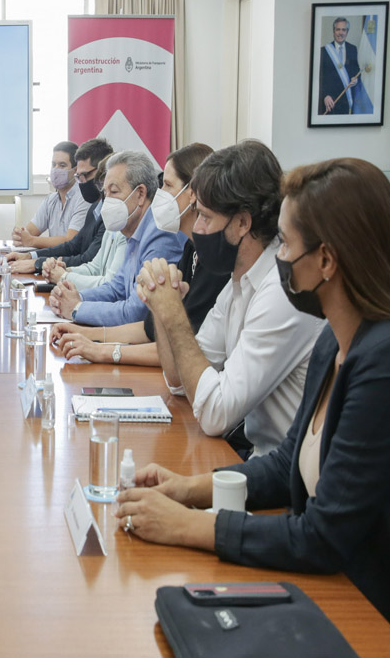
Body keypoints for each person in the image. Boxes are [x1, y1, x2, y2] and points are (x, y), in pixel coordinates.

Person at [114, 157, 390, 657]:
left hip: (372, 614)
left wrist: (187, 526)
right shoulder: (335, 341)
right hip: (325, 590)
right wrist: (188, 490)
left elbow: (321, 536)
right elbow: (288, 466)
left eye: (287, 244)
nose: (277, 256)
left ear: (327, 261)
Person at [134, 140, 321, 456]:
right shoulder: (240, 280)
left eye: (205, 216)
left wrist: (174, 315)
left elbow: (215, 414)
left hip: (284, 477)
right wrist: (163, 306)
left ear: (242, 223)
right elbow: (180, 381)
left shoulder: (281, 289)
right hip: (263, 464)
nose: (198, 228)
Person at [52, 143, 229, 367]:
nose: (161, 194)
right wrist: (83, 322)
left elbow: (142, 315)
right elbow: (150, 323)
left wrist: (96, 340)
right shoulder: (189, 249)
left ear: (193, 194)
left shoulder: (163, 234)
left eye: (166, 185)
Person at [48, 150, 184, 327]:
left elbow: (135, 312)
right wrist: (76, 297)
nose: (107, 201)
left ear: (141, 194)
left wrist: (76, 308)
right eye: (105, 193)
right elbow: (117, 288)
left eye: (114, 192)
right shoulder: (132, 229)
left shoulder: (159, 234)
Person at [6, 138, 113, 275]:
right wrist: (30, 256)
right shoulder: (95, 209)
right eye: (79, 176)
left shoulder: (108, 214)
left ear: (103, 174)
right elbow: (73, 246)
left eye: (85, 175)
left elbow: (87, 260)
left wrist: (37, 263)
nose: (82, 182)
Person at [10, 141, 90, 250]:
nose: (56, 170)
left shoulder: (84, 198)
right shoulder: (51, 200)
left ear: (75, 170)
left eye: (62, 165)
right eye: (53, 165)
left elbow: (71, 240)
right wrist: (20, 235)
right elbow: (29, 231)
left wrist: (31, 240)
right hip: (51, 261)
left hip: (72, 263)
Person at [318, 17, 361, 115]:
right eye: (338, 29)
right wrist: (324, 96)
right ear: (334, 31)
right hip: (330, 102)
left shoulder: (352, 49)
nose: (340, 33)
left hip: (347, 101)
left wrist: (356, 79)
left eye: (343, 30)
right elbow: (319, 78)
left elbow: (356, 70)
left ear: (347, 32)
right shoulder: (323, 51)